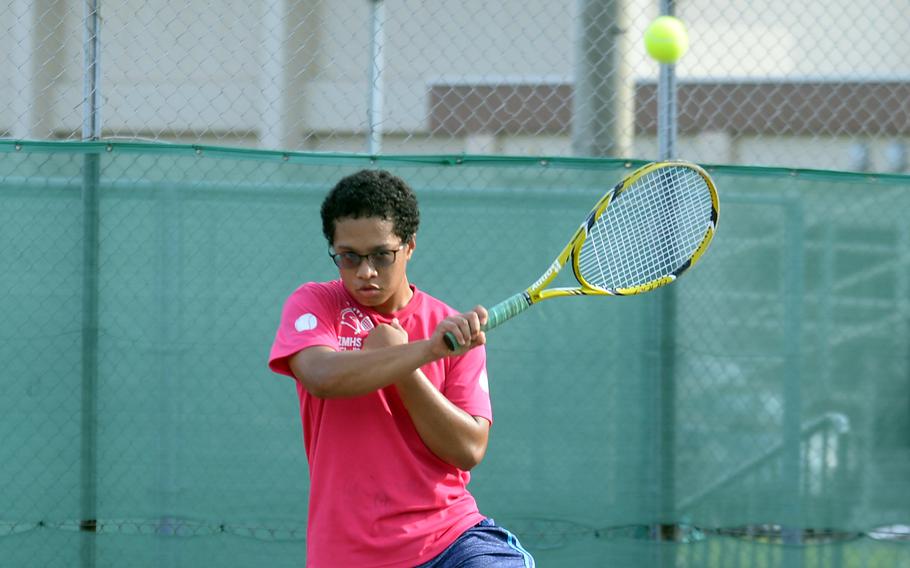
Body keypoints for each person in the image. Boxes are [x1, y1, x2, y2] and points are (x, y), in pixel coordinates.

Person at [268, 169, 535, 567]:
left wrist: (412, 362)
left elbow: (467, 449)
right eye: (348, 257)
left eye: (381, 255)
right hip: (348, 554)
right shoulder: (315, 303)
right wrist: (424, 352)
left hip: (451, 541)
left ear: (409, 247)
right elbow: (320, 376)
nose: (365, 272)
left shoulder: (450, 331)